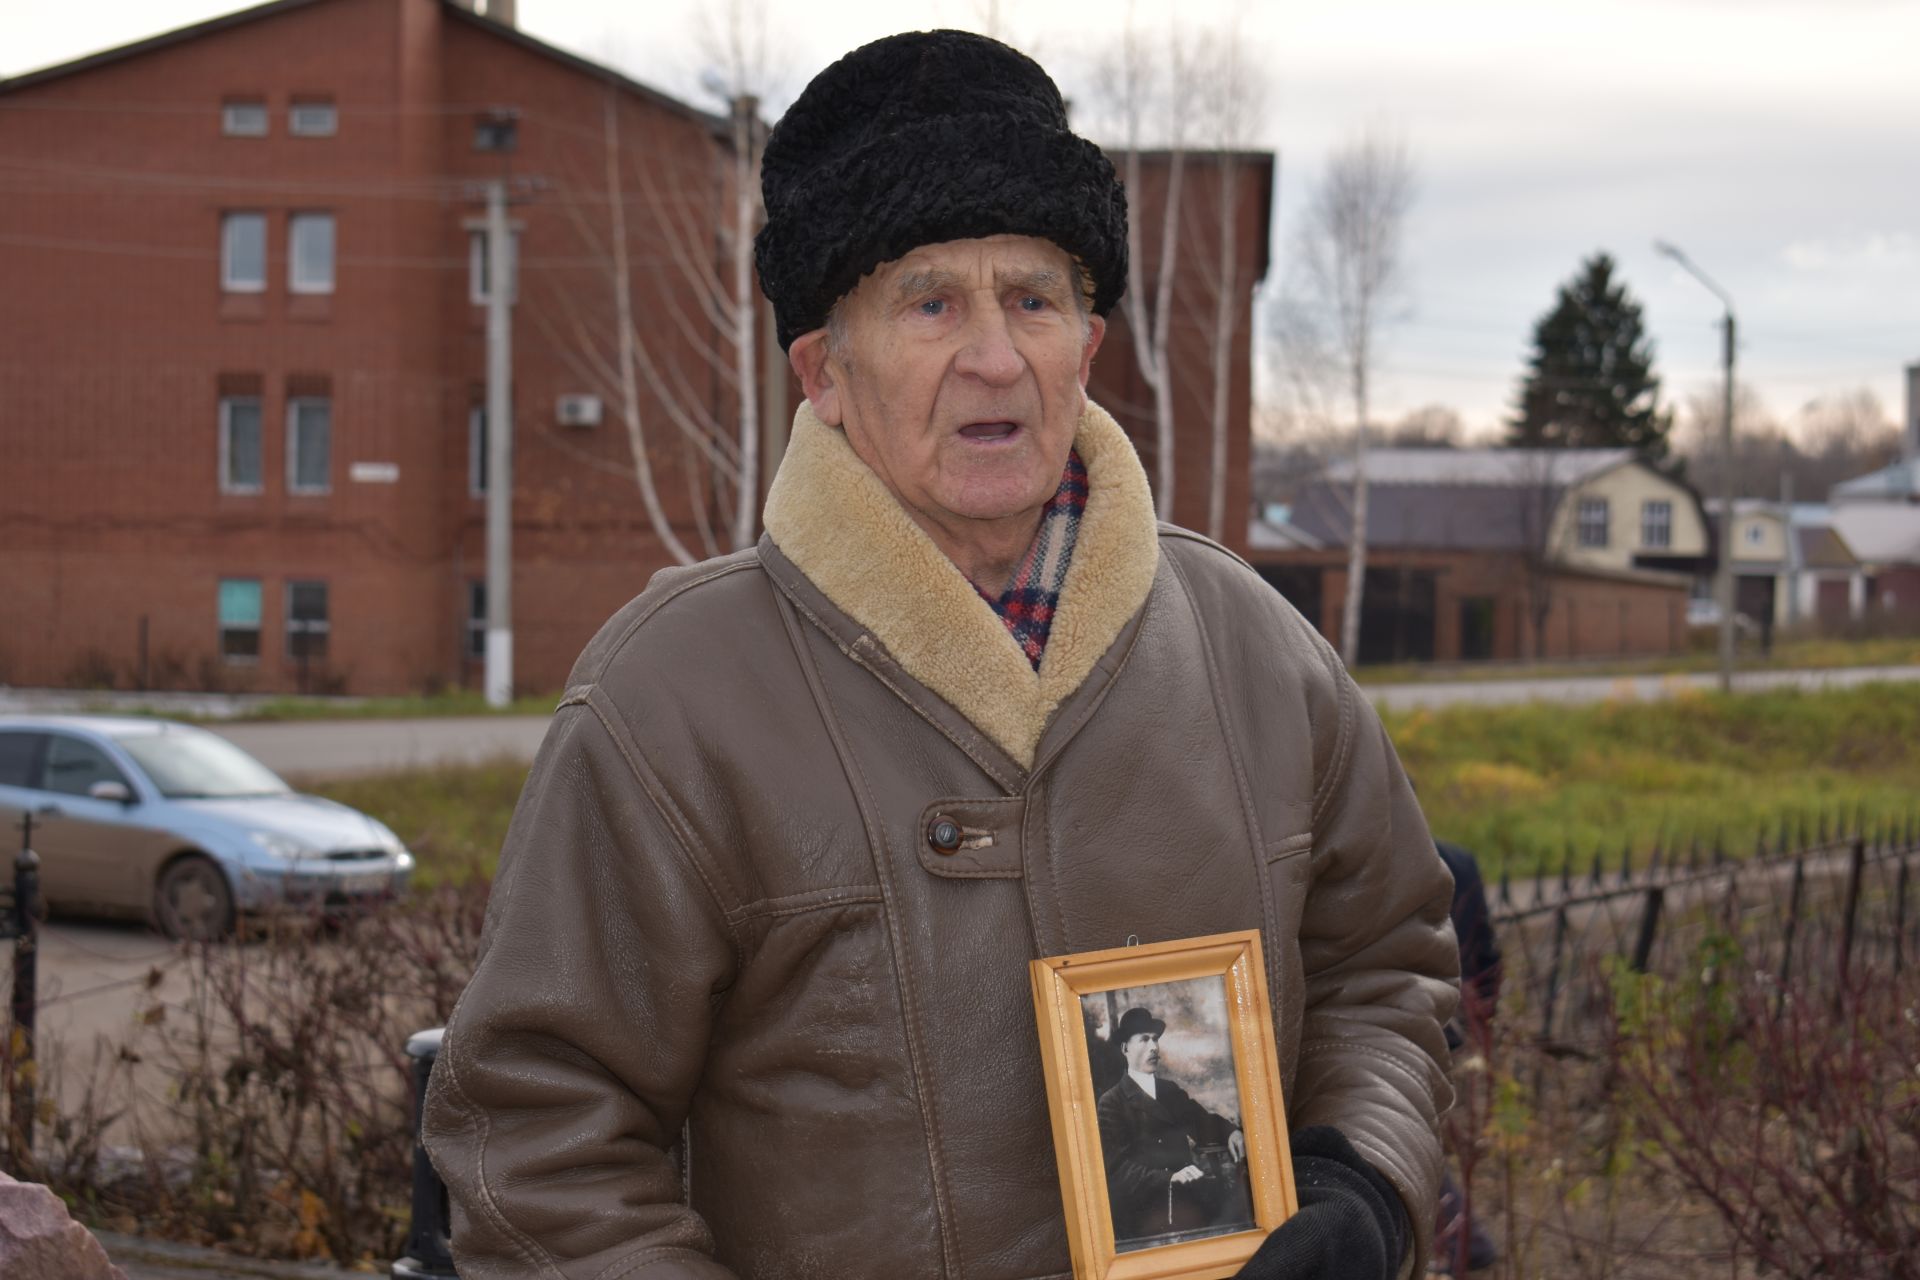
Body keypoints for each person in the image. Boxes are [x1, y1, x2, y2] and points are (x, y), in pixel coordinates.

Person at [424, 29, 1458, 1280]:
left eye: (1034, 296)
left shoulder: (1256, 648)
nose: (994, 355)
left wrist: (1362, 1182)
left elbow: (1388, 963)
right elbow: (538, 1139)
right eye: (930, 302)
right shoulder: (668, 699)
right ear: (826, 372)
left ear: (1088, 343)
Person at [1097, 1007, 1253, 1243]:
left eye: (1155, 1039)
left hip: (1188, 1195)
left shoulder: (1169, 1091)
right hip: (1145, 1207)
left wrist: (1231, 1133)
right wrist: (1169, 1178)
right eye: (1144, 1039)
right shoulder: (1112, 1102)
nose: (1154, 1047)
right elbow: (1118, 1171)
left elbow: (1202, 1122)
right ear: (1125, 1048)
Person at [1433, 840, 1502, 1274]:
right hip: (1451, 1024)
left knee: (1420, 1142)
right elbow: (1486, 952)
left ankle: (1464, 1242)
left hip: (1409, 1025)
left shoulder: (1381, 857)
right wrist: (1481, 1017)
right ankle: (1461, 1241)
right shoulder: (1458, 859)